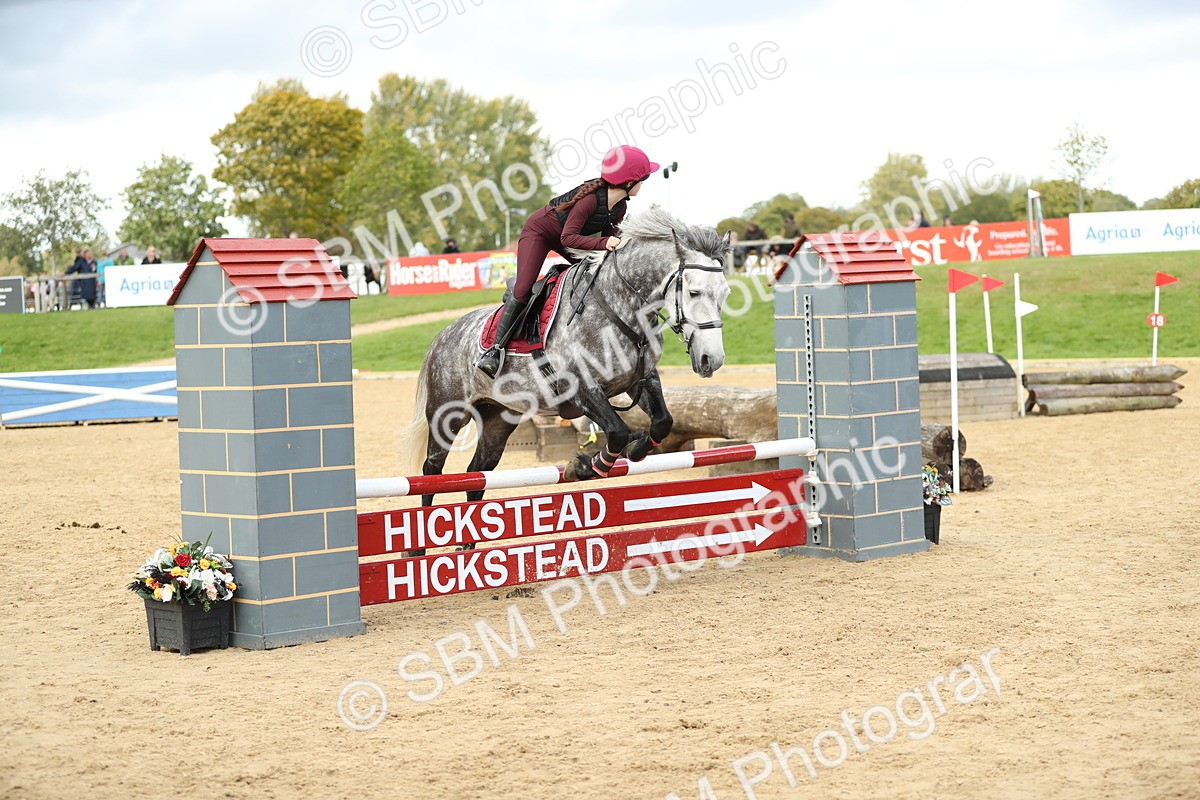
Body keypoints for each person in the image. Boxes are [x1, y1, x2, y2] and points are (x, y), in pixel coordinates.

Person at [475, 144, 659, 378]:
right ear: (628, 182)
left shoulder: (620, 206)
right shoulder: (590, 201)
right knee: (523, 288)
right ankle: (495, 350)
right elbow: (569, 237)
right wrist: (604, 244)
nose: (643, 184)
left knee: (591, 276)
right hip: (540, 233)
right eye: (642, 179)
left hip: (568, 237)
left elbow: (607, 239)